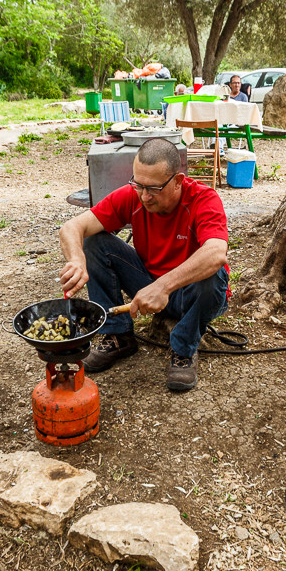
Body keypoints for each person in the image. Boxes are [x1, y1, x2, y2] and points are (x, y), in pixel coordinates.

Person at [59, 139, 228, 391]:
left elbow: (216, 253)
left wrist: (163, 287)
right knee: (93, 242)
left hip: (191, 293)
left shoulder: (203, 199)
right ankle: (118, 336)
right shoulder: (134, 195)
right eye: (138, 185)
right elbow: (72, 227)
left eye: (154, 188)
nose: (144, 196)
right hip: (148, 284)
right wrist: (76, 259)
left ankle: (183, 347)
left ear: (178, 181)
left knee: (212, 276)